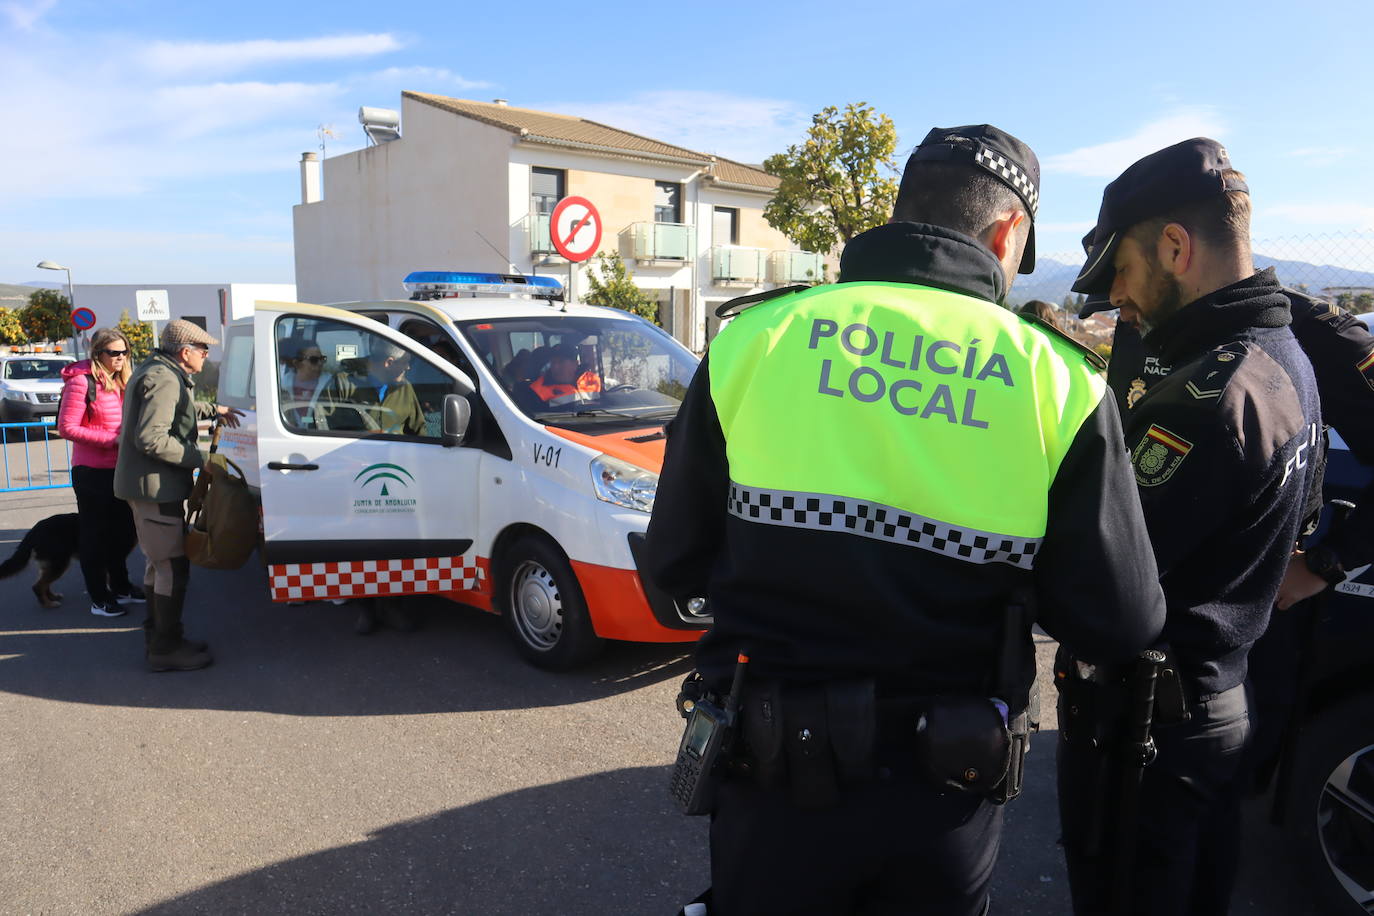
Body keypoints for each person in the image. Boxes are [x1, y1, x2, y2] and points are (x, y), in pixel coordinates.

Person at [646, 124, 1166, 916]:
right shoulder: (1056, 379)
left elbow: (674, 569)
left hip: (771, 775)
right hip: (944, 792)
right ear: (1008, 234)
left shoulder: (756, 339)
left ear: (901, 212)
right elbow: (1120, 621)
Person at [1058, 138, 1322, 915]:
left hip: (1148, 736)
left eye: (1122, 272)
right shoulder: (1284, 356)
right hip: (1217, 705)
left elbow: (1100, 588)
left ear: (1176, 247)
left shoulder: (1212, 393)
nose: (1118, 301)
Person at [114, 320, 242, 672]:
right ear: (185, 352)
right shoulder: (165, 378)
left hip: (152, 487)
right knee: (171, 567)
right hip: (155, 488)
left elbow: (176, 410)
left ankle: (160, 638)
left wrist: (214, 410)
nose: (206, 355)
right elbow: (152, 438)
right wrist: (201, 460)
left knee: (160, 565)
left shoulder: (160, 371)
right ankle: (164, 648)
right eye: (203, 350)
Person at [57, 327, 143, 617]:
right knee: (95, 536)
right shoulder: (81, 382)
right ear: (98, 353)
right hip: (91, 472)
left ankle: (120, 586)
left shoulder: (123, 380)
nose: (120, 358)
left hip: (121, 469)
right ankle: (98, 597)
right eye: (114, 352)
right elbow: (67, 428)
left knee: (124, 532)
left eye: (124, 352)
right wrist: (112, 440)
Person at [323, 339, 425, 436]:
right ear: (389, 363)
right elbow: (322, 423)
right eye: (405, 362)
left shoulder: (404, 388)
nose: (408, 367)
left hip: (395, 448)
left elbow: (418, 431)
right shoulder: (343, 383)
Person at [279, 337, 330, 430]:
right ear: (297, 363)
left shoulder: (330, 384)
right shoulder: (284, 384)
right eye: (314, 360)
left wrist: (307, 421)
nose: (320, 363)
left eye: (322, 359)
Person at [527, 344, 600, 405]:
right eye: (553, 362)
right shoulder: (538, 389)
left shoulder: (592, 380)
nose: (555, 366)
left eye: (561, 362)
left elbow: (605, 403)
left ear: (575, 364)